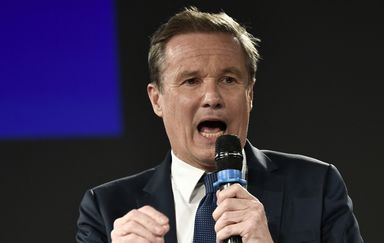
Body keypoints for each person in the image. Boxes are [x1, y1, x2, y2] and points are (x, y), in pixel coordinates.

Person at [76, 7, 363, 243]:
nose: (212, 98)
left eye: (228, 80)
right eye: (191, 81)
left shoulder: (317, 187)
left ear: (249, 94)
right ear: (156, 99)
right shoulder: (106, 209)